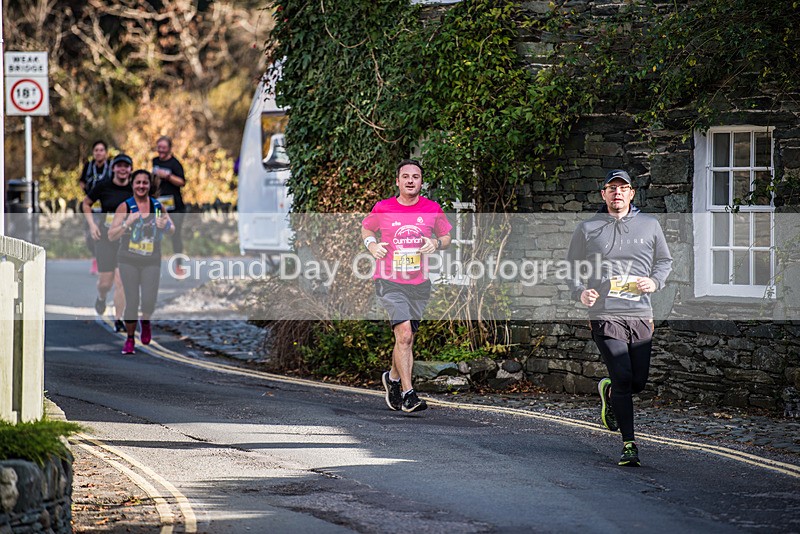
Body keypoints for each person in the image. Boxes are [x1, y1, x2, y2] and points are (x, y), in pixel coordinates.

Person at [566, 169, 673, 467]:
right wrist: (580, 292)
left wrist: (655, 282)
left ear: (631, 193)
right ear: (603, 194)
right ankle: (629, 444)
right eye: (612, 188)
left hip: (640, 312)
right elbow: (571, 267)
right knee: (624, 377)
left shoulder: (650, 225)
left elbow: (664, 261)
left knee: (637, 381)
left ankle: (609, 391)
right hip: (604, 313)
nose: (617, 193)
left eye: (623, 188)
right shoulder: (588, 229)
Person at [362, 159, 452, 413]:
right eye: (406, 176)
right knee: (405, 335)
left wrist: (436, 243)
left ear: (421, 182)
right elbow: (366, 229)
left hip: (419, 283)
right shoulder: (384, 207)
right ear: (398, 181)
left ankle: (392, 378)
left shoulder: (432, 208)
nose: (411, 180)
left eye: (416, 176)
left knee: (406, 340)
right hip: (389, 279)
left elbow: (447, 236)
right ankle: (408, 393)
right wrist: (372, 246)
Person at [108, 169, 175, 355]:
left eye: (145, 183)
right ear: (132, 184)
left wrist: (166, 225)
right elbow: (111, 235)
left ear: (149, 185)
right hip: (128, 259)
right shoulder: (125, 207)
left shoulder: (157, 207)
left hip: (151, 259)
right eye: (138, 182)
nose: (141, 186)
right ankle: (130, 339)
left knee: (149, 299)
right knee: (132, 300)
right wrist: (127, 223)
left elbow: (172, 228)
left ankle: (145, 321)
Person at [82, 153, 133, 332]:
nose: (122, 169)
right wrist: (91, 225)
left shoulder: (135, 188)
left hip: (126, 240)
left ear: (130, 170)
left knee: (122, 281)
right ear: (113, 169)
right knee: (106, 283)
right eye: (119, 166)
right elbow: (86, 203)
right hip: (105, 239)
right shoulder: (104, 186)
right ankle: (102, 297)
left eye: (126, 166)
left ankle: (118, 319)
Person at [151, 136, 187, 277]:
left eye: (164, 147)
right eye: (159, 147)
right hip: (159, 205)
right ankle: (153, 266)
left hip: (176, 207)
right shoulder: (154, 161)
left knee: (175, 236)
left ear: (170, 148)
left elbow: (182, 182)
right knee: (155, 234)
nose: (161, 150)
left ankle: (179, 266)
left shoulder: (175, 164)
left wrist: (168, 176)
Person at [78, 141, 113, 275]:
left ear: (106, 152)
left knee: (104, 232)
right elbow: (81, 181)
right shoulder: (88, 166)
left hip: (105, 205)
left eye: (101, 150)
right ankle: (95, 257)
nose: (98, 153)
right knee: (89, 234)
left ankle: (103, 260)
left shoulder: (110, 166)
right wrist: (87, 191)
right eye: (96, 150)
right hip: (91, 204)